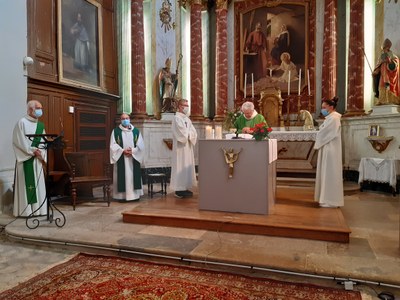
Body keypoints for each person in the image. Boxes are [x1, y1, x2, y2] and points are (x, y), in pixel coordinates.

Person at [12, 100, 47, 217]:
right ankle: (26, 211)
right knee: (27, 186)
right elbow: (18, 141)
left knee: (38, 186)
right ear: (30, 109)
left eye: (41, 108)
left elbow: (44, 142)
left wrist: (41, 152)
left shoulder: (40, 125)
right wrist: (32, 151)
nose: (40, 110)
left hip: (37, 160)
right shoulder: (21, 123)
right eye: (38, 108)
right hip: (26, 160)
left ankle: (39, 210)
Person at [314, 97, 344, 208]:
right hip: (327, 147)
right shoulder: (330, 117)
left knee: (330, 172)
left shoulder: (334, 118)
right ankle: (325, 198)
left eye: (324, 107)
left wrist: (317, 134)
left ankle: (330, 200)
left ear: (331, 107)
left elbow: (326, 133)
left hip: (331, 149)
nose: (322, 110)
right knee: (326, 172)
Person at [110, 113, 145, 201]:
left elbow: (141, 146)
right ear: (121, 120)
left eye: (127, 118)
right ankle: (121, 196)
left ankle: (134, 196)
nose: (125, 120)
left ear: (129, 119)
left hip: (133, 158)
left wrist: (133, 151)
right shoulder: (116, 131)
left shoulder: (136, 131)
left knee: (133, 176)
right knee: (122, 176)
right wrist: (122, 151)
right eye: (123, 118)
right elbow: (112, 145)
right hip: (121, 157)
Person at [170, 99, 197, 198]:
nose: (187, 107)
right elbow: (182, 133)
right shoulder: (177, 118)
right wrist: (189, 134)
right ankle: (178, 190)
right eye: (185, 105)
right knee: (180, 165)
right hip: (180, 148)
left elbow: (193, 131)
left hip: (187, 147)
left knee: (186, 166)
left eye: (187, 105)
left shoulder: (187, 119)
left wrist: (189, 134)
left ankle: (185, 187)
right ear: (180, 106)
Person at [372, 38, 400, 105]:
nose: (384, 50)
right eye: (383, 48)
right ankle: (382, 100)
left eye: (385, 48)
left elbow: (396, 67)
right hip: (382, 76)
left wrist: (390, 62)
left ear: (388, 48)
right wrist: (376, 72)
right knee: (381, 86)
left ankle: (390, 100)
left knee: (388, 86)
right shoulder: (381, 57)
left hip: (389, 76)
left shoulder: (394, 56)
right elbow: (378, 66)